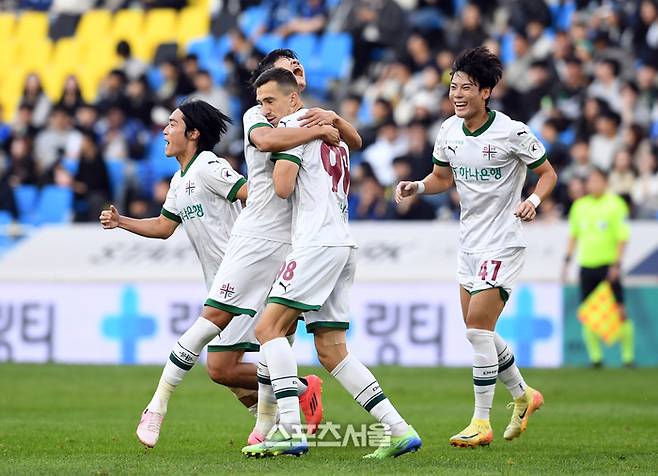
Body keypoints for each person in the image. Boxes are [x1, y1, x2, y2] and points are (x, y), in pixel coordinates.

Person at [242, 68, 421, 459]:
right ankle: (398, 429)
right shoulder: (330, 130)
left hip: (315, 242)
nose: (265, 110)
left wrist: (271, 164)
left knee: (268, 328)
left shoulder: (293, 126)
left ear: (292, 99)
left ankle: (289, 429)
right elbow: (353, 140)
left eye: (269, 101)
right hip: (342, 242)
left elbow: (283, 186)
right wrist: (334, 120)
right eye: (260, 103)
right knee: (331, 349)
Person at [396, 46, 558, 448]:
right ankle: (524, 395)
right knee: (478, 332)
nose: (457, 94)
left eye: (466, 87)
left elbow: (548, 174)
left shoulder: (513, 132)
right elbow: (441, 178)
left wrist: (533, 201)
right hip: (468, 242)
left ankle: (480, 421)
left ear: (486, 91)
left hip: (503, 240)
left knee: (477, 330)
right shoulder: (448, 131)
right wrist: (417, 187)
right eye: (453, 87)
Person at [562, 167, 635, 368]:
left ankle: (627, 358)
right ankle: (596, 358)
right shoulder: (580, 206)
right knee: (588, 313)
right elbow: (573, 236)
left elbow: (622, 237)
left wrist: (616, 264)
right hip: (586, 265)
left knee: (620, 310)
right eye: (590, 181)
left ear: (605, 182)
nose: (593, 184)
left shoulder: (616, 205)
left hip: (608, 266)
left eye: (597, 180)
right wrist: (567, 260)